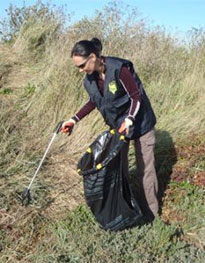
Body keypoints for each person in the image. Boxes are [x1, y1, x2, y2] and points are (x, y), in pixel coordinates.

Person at [61, 38, 159, 221]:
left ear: (93, 57)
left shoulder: (119, 69)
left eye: (82, 65)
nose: (81, 71)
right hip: (119, 128)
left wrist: (130, 118)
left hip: (141, 123)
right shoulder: (89, 81)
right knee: (118, 170)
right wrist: (74, 120)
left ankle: (152, 215)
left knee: (145, 170)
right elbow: (94, 101)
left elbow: (136, 97)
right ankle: (126, 210)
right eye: (78, 68)